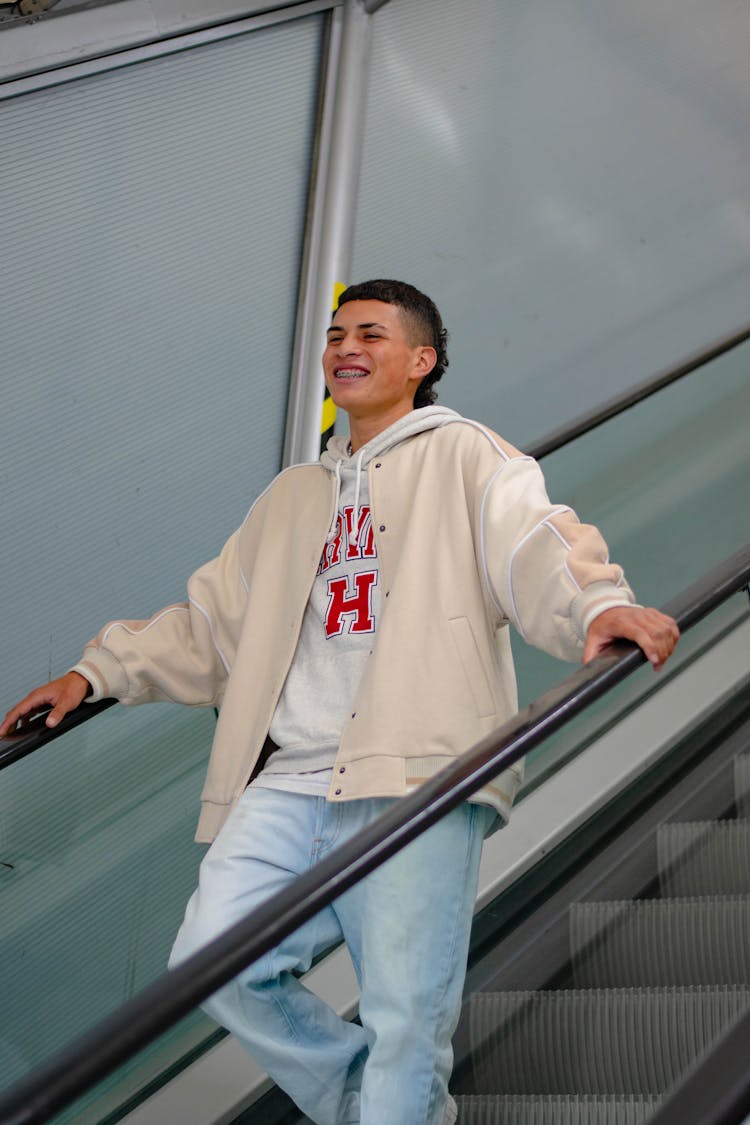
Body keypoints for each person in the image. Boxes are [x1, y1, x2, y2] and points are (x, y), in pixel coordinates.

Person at [0, 280, 679, 1124]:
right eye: (335, 334)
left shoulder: (464, 454)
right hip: (288, 779)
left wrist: (595, 604)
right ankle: (377, 1107)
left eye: (371, 334)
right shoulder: (290, 499)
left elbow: (535, 543)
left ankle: (396, 1107)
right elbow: (211, 626)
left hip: (419, 772)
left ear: (421, 361)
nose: (346, 347)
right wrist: (97, 672)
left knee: (405, 1014)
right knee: (212, 959)